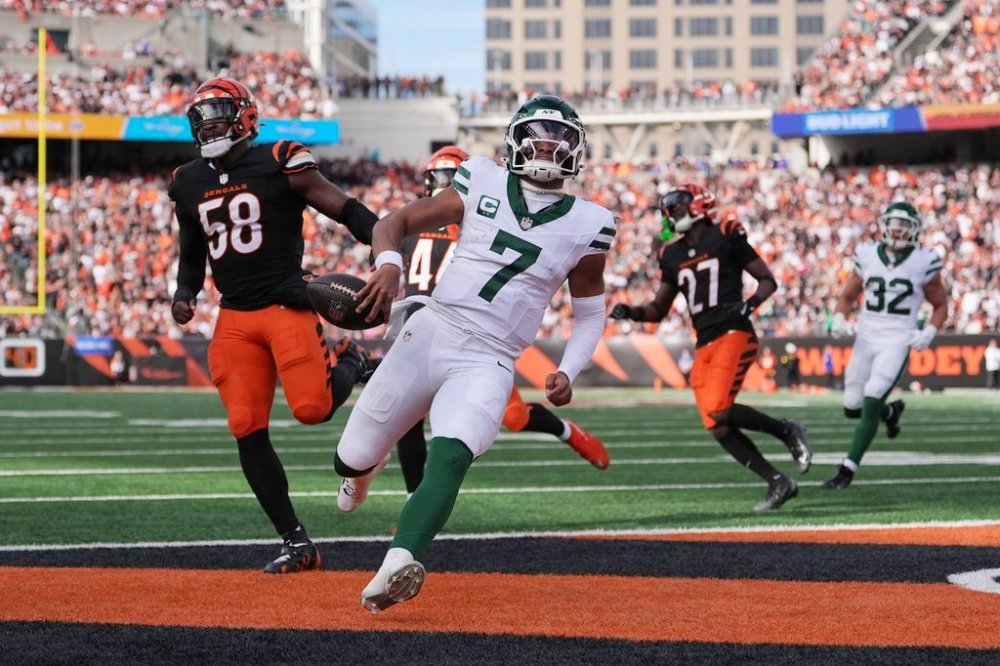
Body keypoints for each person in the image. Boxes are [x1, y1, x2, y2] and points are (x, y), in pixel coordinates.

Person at [334, 95, 614, 613]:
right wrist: (389, 263)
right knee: (351, 455)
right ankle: (362, 469)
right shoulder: (480, 177)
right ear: (516, 140)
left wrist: (569, 368)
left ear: (576, 150)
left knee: (453, 451)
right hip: (433, 329)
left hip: (492, 356)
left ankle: (400, 560)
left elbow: (591, 313)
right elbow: (392, 222)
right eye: (539, 134)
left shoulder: (591, 222)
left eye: (560, 138)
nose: (548, 146)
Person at [168, 77, 378, 573]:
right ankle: (296, 541)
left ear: (245, 116)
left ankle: (349, 356)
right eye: (202, 117)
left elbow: (344, 208)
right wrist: (185, 292)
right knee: (245, 424)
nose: (209, 124)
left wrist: (385, 246)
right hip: (235, 318)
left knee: (312, 409)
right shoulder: (187, 180)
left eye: (218, 113)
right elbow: (192, 247)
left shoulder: (281, 158)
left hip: (288, 304)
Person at [375, 144, 608, 500]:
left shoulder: (481, 221)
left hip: (475, 337)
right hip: (423, 330)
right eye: (439, 178)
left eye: (451, 178)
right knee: (406, 420)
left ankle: (566, 431)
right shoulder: (414, 224)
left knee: (513, 417)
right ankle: (408, 497)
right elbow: (384, 243)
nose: (444, 185)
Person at [609, 184, 811, 512]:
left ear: (698, 205)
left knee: (719, 407)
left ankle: (787, 429)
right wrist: (631, 311)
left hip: (734, 331)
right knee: (717, 426)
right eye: (668, 208)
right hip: (703, 342)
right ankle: (778, 481)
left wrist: (750, 305)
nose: (671, 212)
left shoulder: (726, 233)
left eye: (677, 205)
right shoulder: (671, 254)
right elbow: (658, 310)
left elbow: (767, 280)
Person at [824, 202, 948, 489]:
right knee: (852, 406)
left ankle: (847, 469)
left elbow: (941, 304)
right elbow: (847, 296)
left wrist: (929, 330)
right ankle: (890, 413)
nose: (898, 229)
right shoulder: (866, 254)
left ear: (915, 230)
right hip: (866, 337)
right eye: (894, 222)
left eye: (905, 225)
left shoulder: (924, 259)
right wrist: (840, 318)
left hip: (897, 338)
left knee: (872, 397)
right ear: (882, 224)